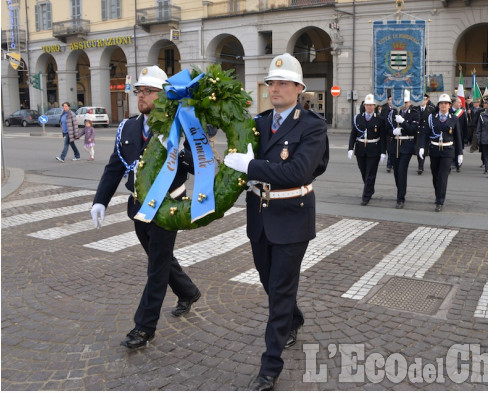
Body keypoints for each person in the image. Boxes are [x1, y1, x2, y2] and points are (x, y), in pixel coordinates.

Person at [223, 53, 328, 391]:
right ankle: (293, 319)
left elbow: (299, 171)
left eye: (284, 82)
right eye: (272, 82)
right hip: (260, 218)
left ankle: (270, 366)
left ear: (299, 88)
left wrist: (250, 167)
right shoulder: (259, 122)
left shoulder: (312, 125)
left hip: (292, 217)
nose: (276, 87)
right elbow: (232, 157)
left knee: (280, 290)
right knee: (270, 282)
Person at [90, 66, 201, 350]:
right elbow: (115, 166)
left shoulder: (181, 123)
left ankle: (144, 327)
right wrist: (100, 200)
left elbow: (198, 165)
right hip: (138, 206)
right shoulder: (128, 126)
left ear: (163, 95)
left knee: (156, 267)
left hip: (168, 206)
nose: (141, 96)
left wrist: (175, 148)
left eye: (148, 91)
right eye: (139, 91)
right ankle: (188, 292)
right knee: (159, 258)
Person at [418, 93, 463, 212]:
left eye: (446, 103)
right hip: (434, 149)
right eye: (441, 103)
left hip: (448, 151)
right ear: (439, 105)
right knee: (435, 175)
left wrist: (460, 153)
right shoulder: (432, 117)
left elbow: (458, 137)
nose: (443, 105)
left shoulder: (454, 118)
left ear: (449, 105)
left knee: (443, 176)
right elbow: (425, 133)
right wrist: (422, 147)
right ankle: (438, 194)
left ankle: (440, 201)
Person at [348, 94, 386, 205]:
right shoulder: (358, 118)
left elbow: (383, 137)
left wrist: (383, 152)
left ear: (374, 106)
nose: (369, 107)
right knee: (364, 172)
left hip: (374, 149)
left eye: (371, 105)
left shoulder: (379, 119)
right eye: (367, 105)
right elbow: (353, 134)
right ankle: (370, 188)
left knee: (370, 173)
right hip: (360, 150)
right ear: (364, 106)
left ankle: (366, 196)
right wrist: (350, 148)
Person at [385, 89, 419, 208]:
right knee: (396, 172)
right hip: (395, 144)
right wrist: (393, 131)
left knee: (402, 171)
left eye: (405, 102)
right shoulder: (394, 112)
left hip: (406, 145)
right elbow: (387, 128)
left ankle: (400, 198)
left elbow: (413, 130)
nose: (404, 104)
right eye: (402, 102)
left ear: (409, 102)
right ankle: (400, 191)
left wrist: (403, 122)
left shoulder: (414, 113)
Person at [416, 93, 435, 174]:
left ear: (427, 100)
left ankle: (421, 166)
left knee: (423, 149)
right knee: (417, 150)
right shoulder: (415, 109)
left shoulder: (431, 109)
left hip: (426, 133)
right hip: (417, 132)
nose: (422, 101)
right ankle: (420, 165)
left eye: (424, 99)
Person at [449, 97, 467, 171]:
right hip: (450, 134)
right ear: (454, 103)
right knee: (451, 149)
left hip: (460, 134)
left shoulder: (462, 112)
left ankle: (458, 164)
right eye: (459, 102)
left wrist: (466, 136)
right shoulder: (448, 111)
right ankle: (451, 163)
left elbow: (465, 125)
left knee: (458, 148)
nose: (461, 104)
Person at [379, 95, 395, 173]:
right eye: (389, 100)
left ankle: (391, 164)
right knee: (389, 149)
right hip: (386, 132)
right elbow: (381, 120)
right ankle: (390, 164)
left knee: (394, 148)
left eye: (392, 100)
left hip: (395, 132)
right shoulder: (385, 109)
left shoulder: (396, 109)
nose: (390, 101)